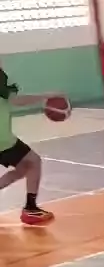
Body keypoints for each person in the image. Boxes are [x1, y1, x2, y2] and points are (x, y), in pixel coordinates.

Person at [0, 66, 63, 225]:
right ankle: (31, 209)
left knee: (24, 167)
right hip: (2, 140)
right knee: (33, 162)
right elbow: (16, 101)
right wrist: (45, 96)